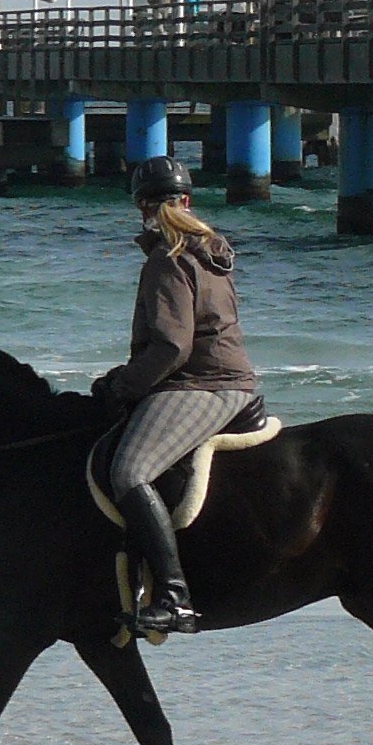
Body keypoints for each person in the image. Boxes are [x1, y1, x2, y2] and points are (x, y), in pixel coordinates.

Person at [91, 158, 262, 636]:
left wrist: (124, 386)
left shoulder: (168, 259)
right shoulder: (210, 251)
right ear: (187, 201)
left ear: (142, 209)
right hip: (216, 376)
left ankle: (174, 596)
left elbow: (172, 345)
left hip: (204, 383)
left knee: (129, 471)